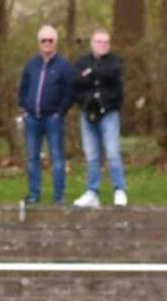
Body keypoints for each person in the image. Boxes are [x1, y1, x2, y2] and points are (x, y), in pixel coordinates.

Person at [18, 25, 75, 206]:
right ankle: (34, 194)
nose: (47, 44)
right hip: (32, 118)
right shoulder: (31, 64)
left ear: (55, 42)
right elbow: (23, 88)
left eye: (50, 40)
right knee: (32, 157)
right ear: (39, 42)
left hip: (53, 119)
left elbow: (70, 92)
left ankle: (58, 197)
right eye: (44, 40)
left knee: (57, 158)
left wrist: (60, 112)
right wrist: (24, 109)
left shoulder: (64, 66)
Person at [72, 30, 128, 209]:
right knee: (92, 155)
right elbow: (77, 84)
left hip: (109, 112)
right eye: (99, 42)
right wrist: (89, 86)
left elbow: (112, 77)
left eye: (105, 42)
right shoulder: (81, 62)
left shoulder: (115, 61)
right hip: (88, 113)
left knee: (112, 153)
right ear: (92, 43)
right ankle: (92, 192)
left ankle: (119, 189)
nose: (102, 45)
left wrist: (91, 75)